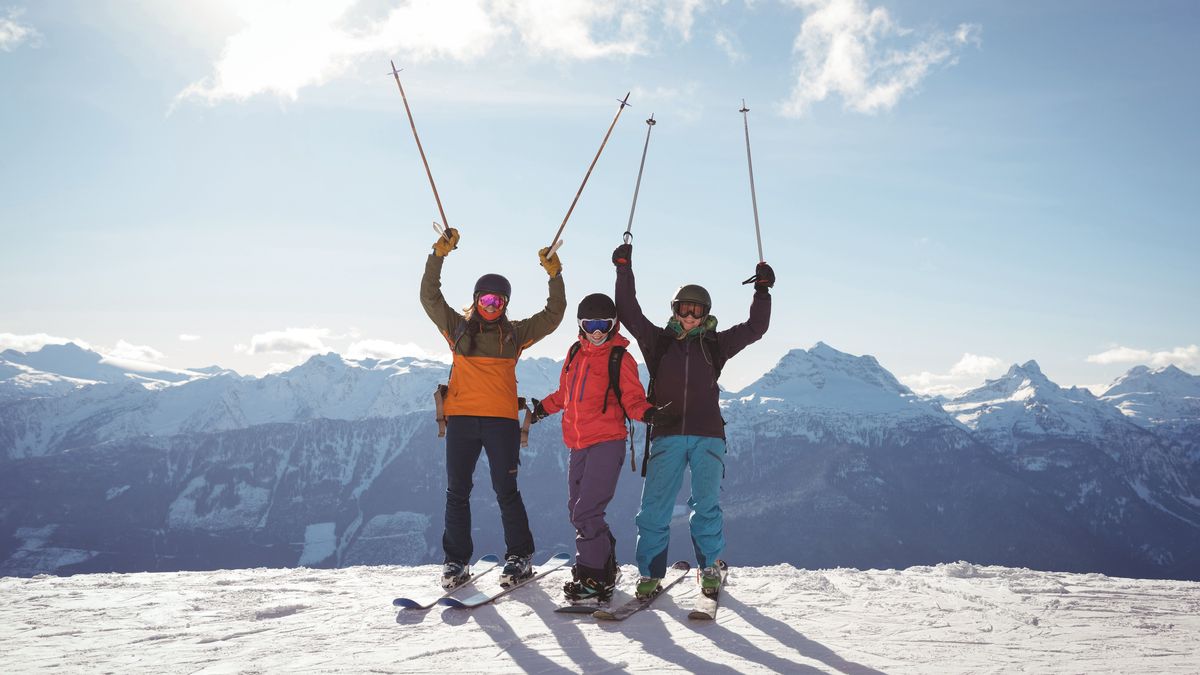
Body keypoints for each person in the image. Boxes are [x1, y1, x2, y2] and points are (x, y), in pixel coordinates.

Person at [611, 242, 773, 599]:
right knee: (654, 509)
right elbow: (628, 310)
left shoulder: (715, 344)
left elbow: (756, 327)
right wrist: (624, 269)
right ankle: (650, 573)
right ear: (675, 310)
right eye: (685, 309)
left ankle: (710, 567)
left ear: (705, 314)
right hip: (667, 434)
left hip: (708, 436)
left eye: (697, 311)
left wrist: (762, 291)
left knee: (706, 506)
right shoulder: (657, 342)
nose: (690, 316)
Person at [420, 226, 566, 588]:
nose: (490, 307)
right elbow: (430, 297)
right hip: (463, 421)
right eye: (485, 301)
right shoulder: (456, 329)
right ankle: (455, 561)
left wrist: (555, 275)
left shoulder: (514, 335)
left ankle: (519, 556)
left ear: (505, 305)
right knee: (457, 491)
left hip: (500, 423)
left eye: (497, 302)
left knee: (505, 490)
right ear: (475, 300)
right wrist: (438, 255)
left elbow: (554, 314)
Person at [529, 292, 672, 605]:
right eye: (590, 324)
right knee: (576, 511)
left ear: (614, 325)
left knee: (587, 510)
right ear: (580, 325)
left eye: (603, 325)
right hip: (578, 444)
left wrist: (648, 413)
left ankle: (593, 577)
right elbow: (565, 394)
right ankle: (603, 568)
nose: (596, 332)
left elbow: (632, 399)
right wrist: (541, 409)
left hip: (607, 442)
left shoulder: (620, 358)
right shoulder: (574, 353)